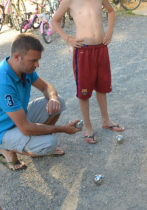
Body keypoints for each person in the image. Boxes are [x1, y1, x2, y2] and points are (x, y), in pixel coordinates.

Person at [0, 33, 82, 171]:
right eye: (33, 61)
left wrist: (53, 98)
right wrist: (62, 129)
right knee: (49, 143)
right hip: (3, 130)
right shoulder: (3, 82)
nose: (37, 65)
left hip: (19, 118)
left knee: (59, 102)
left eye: (38, 60)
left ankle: (37, 145)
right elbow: (25, 128)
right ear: (16, 57)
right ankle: (6, 148)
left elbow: (46, 87)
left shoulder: (23, 68)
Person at [52, 0, 124, 145]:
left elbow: (111, 11)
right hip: (83, 51)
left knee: (102, 86)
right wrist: (68, 39)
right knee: (84, 91)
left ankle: (106, 120)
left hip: (101, 48)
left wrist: (109, 30)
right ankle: (88, 126)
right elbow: (55, 20)